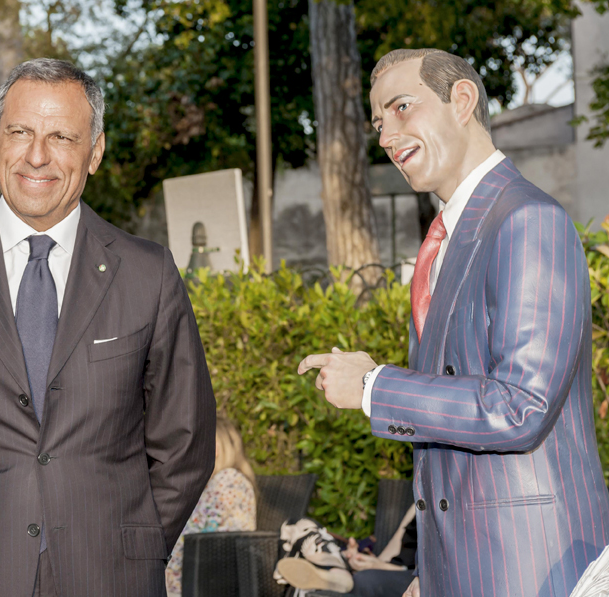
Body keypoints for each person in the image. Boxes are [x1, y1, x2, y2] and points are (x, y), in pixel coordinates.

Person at [0, 58, 216, 597]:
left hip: (112, 576)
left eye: (61, 136)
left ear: (94, 152)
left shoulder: (149, 273)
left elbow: (185, 440)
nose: (36, 155)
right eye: (21, 131)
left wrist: (133, 540)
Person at [298, 48, 609, 597]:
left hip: (532, 565)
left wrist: (374, 386)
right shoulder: (450, 236)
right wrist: (433, 570)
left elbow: (520, 408)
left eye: (401, 108)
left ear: (461, 100)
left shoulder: (528, 220)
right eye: (377, 122)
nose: (387, 136)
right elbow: (449, 425)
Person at [165, 415, 257, 596]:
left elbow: (195, 531)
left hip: (207, 574)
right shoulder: (225, 480)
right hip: (208, 569)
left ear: (215, 448)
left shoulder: (227, 480)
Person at [275, 506, 416, 596]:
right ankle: (336, 566)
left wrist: (378, 567)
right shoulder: (421, 501)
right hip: (394, 571)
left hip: (420, 579)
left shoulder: (436, 505)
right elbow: (395, 551)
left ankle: (332, 567)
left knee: (364, 580)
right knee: (297, 524)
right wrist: (369, 561)